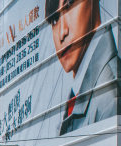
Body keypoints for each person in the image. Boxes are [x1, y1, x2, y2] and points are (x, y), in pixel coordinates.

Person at [45, 0, 121, 135]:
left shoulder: (108, 98)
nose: (62, 32)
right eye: (55, 20)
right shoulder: (81, 92)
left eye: (69, 6)